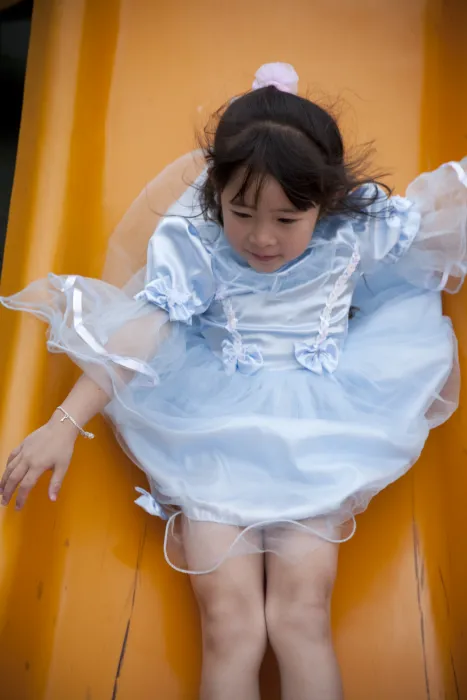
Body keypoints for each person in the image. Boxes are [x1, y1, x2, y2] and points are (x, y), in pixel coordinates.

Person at [1, 61, 466, 700]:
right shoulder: (195, 240)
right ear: (214, 193)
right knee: (230, 623)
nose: (261, 237)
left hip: (321, 429)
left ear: (323, 204)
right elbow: (143, 330)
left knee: (300, 617)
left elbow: (449, 214)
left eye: (286, 219)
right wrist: (63, 424)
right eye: (241, 211)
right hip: (211, 429)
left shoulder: (358, 228)